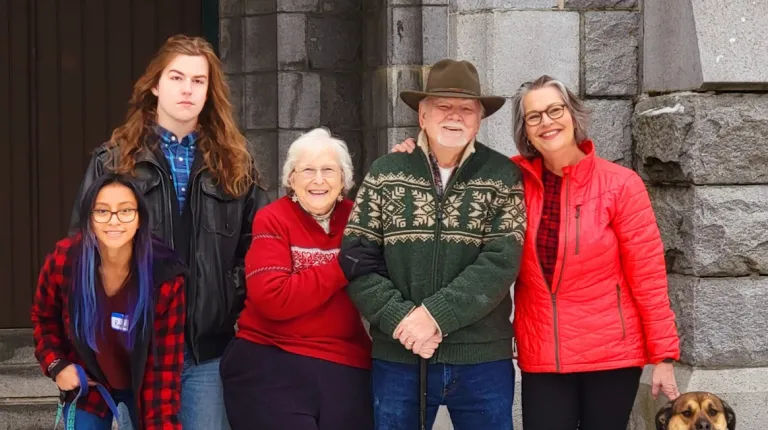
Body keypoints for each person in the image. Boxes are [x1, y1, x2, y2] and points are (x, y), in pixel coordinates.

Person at [393, 75, 681, 430]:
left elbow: (648, 276)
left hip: (611, 354)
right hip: (543, 353)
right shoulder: (508, 178)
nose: (547, 122)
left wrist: (664, 356)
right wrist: (415, 157)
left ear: (573, 116)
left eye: (555, 110)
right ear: (525, 130)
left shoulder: (621, 185)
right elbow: (452, 173)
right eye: (534, 116)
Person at [69, 35, 269, 430]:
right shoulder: (114, 161)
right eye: (177, 77)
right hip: (138, 349)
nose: (187, 89)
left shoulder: (236, 164)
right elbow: (82, 252)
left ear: (210, 92)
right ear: (156, 85)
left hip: (207, 351)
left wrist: (233, 295)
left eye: (199, 81)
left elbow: (260, 245)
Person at [340, 59, 527, 430]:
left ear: (479, 119)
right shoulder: (385, 173)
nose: (454, 116)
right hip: (399, 357)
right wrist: (404, 321)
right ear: (422, 115)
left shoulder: (503, 176)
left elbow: (501, 261)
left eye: (466, 109)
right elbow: (356, 259)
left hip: (481, 359)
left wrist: (435, 316)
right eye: (443, 106)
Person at [220, 128, 378, 430]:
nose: (318, 180)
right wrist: (340, 268)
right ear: (291, 179)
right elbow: (272, 298)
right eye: (307, 170)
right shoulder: (273, 218)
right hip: (271, 357)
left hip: (344, 360)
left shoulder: (358, 219)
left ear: (344, 180)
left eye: (328, 170)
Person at [31, 174, 186, 430]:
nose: (114, 220)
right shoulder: (65, 260)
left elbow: (163, 370)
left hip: (144, 384)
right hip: (89, 383)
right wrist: (56, 364)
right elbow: (44, 317)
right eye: (102, 211)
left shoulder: (165, 276)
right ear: (89, 217)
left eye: (125, 210)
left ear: (139, 218)